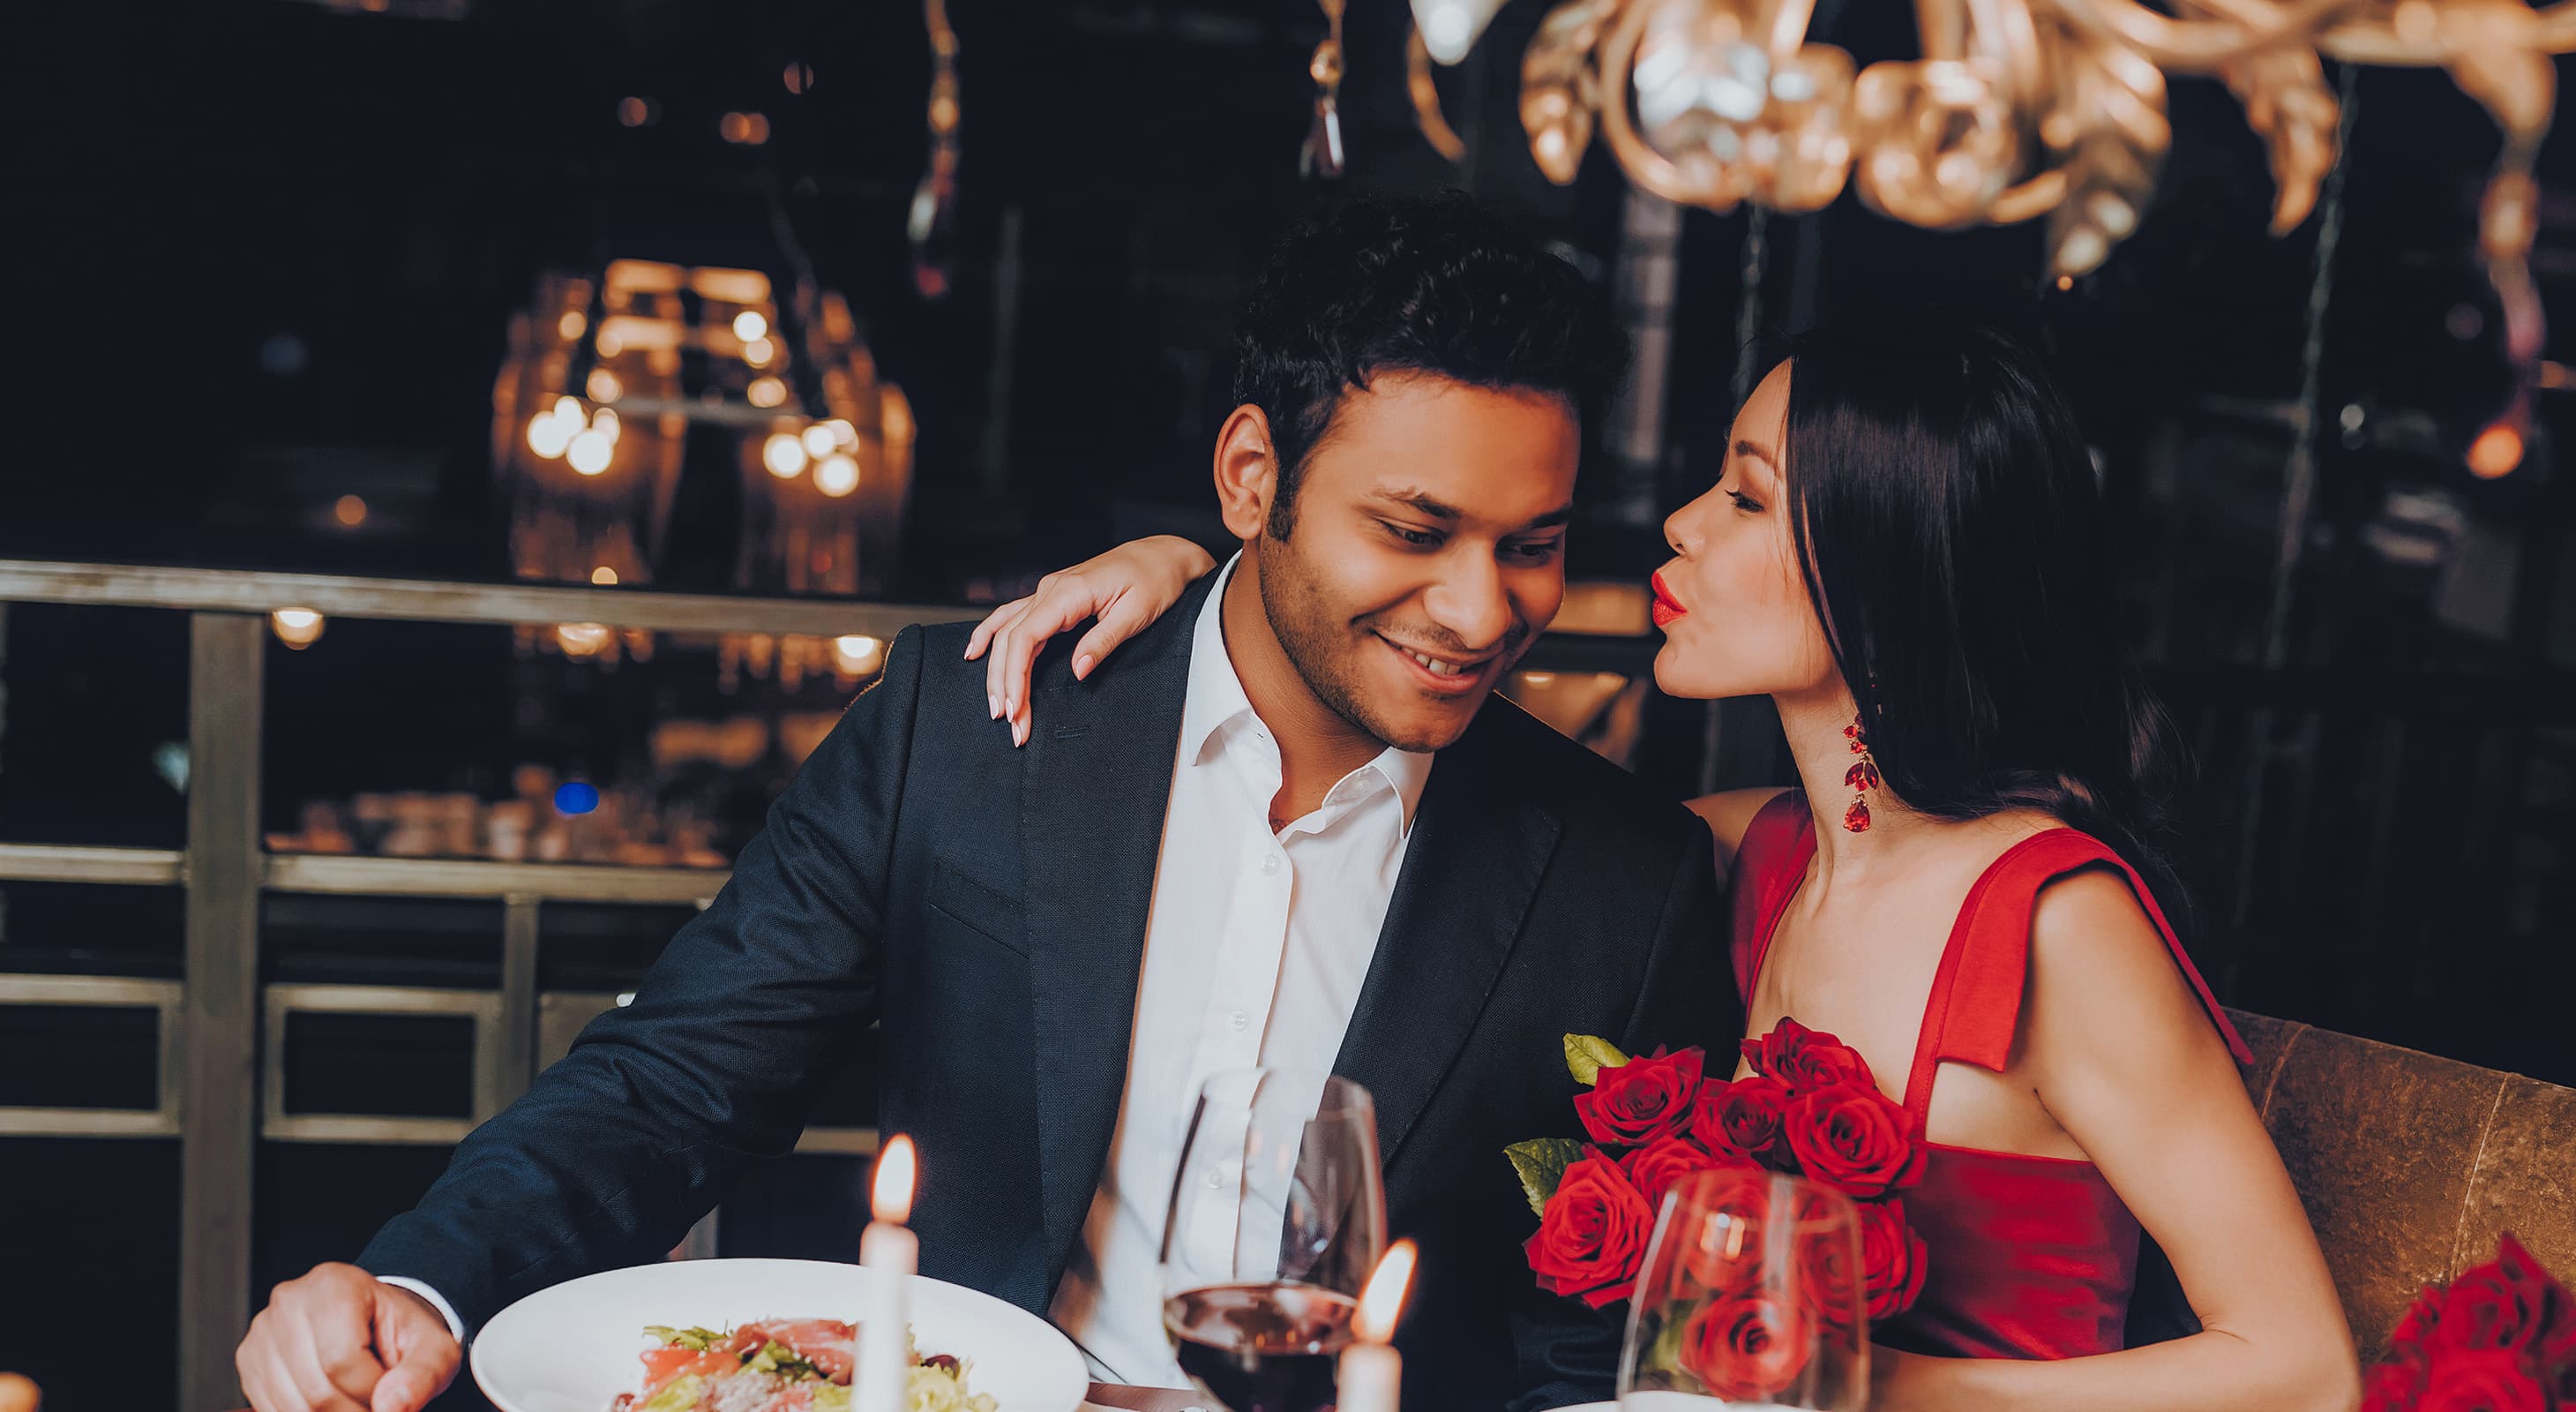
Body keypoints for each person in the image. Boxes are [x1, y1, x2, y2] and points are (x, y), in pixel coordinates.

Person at [234, 192, 1737, 1412]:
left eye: (1531, 543)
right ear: (1249, 475)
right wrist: (420, 1283)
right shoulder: (973, 732)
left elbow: (1585, 1353)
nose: (1480, 610)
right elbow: (680, 1077)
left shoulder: (1626, 882)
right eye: (1414, 530)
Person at [970, 327, 2363, 1408]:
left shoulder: (2057, 922)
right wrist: (1203, 582)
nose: (1684, 526)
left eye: (1748, 498)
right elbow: (1485, 806)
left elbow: (2299, 1369)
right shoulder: (1751, 855)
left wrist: (1855, 1391)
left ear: (1879, 563)